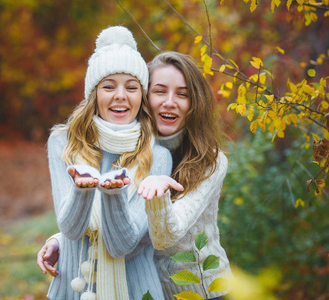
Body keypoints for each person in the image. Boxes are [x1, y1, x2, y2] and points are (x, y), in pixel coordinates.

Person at [38, 51, 232, 300]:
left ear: (195, 103)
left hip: (201, 289)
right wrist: (61, 240)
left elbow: (164, 236)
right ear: (144, 95)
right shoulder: (132, 149)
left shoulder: (209, 161)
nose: (170, 102)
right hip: (148, 286)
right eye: (160, 91)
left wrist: (156, 190)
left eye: (182, 94)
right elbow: (111, 215)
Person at [46, 26, 173, 300]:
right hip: (71, 290)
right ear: (94, 94)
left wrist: (112, 192)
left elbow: (122, 245)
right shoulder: (63, 143)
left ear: (142, 95)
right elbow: (70, 228)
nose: (120, 96)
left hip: (137, 291)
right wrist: (83, 190)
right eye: (108, 86)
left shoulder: (157, 157)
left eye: (131, 87)